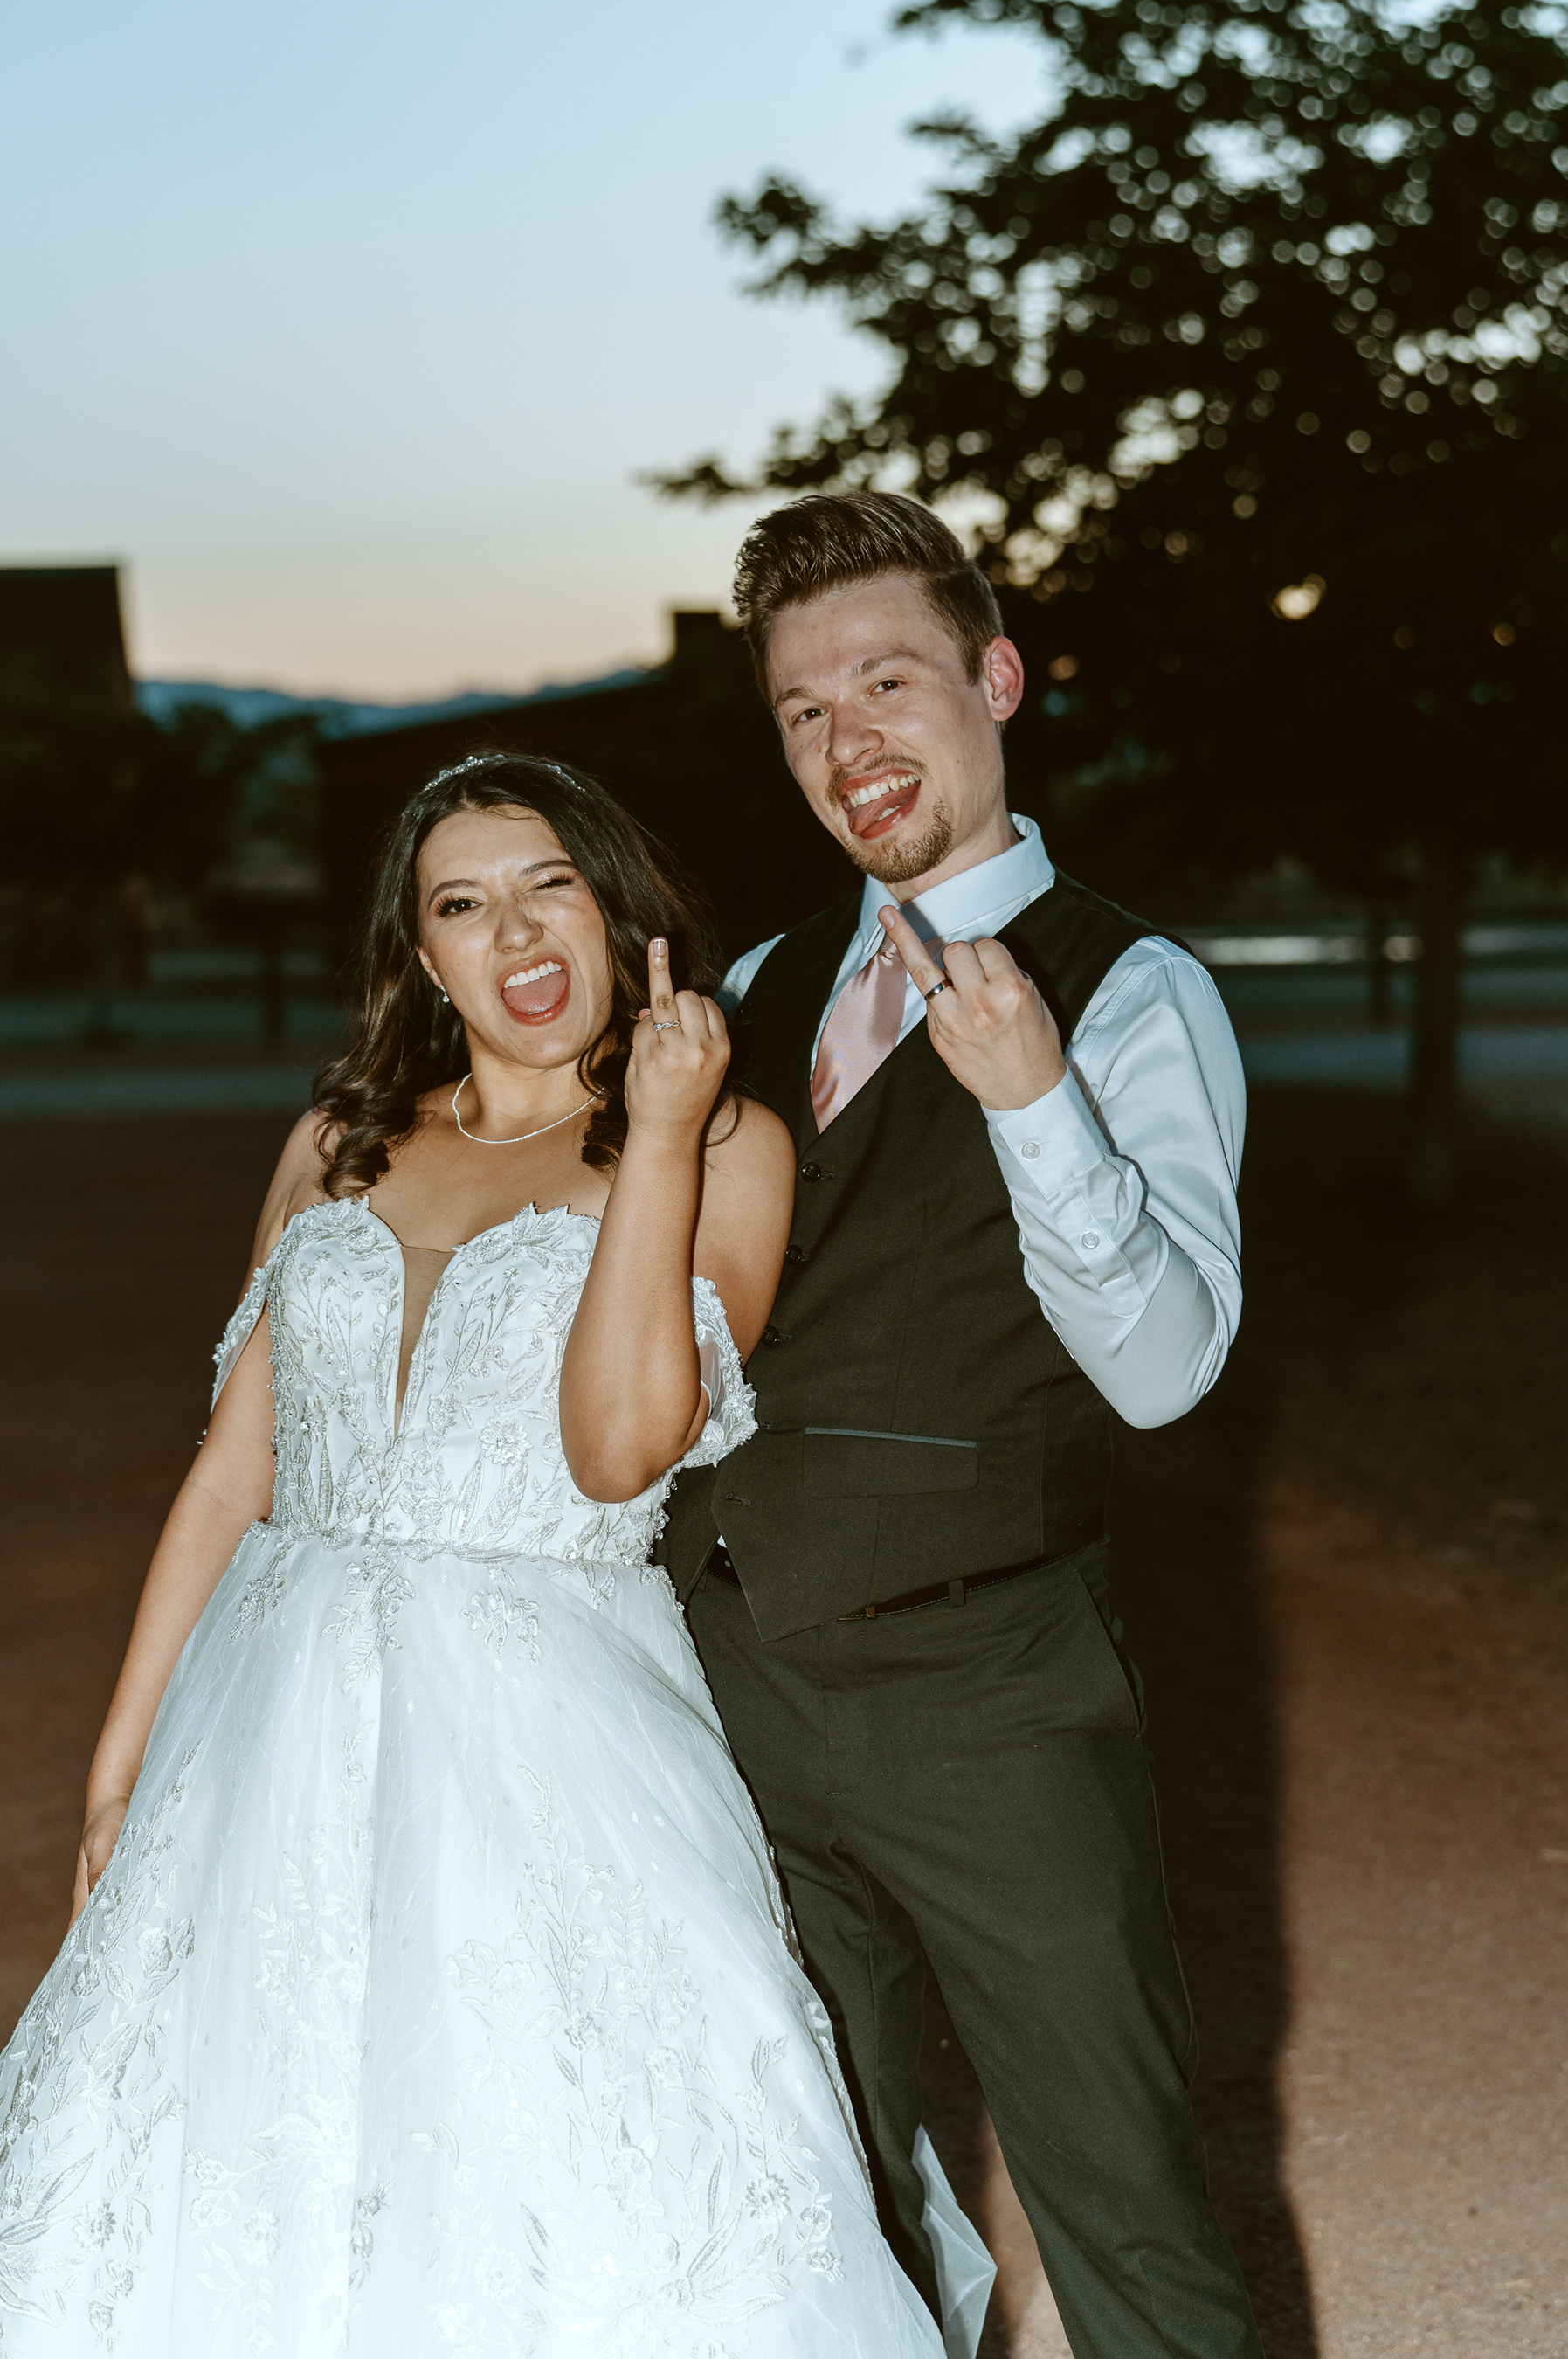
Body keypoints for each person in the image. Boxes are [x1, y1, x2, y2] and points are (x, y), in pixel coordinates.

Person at [0, 752, 990, 2357]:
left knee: (556, 2128)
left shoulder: (726, 1141)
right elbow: (230, 1472)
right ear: (422, 952)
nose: (514, 931)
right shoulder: (337, 1138)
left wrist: (656, 1137)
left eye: (548, 883)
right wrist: (122, 1762)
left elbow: (619, 1447)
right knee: (250, 2110)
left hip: (544, 1728)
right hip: (265, 1721)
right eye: (462, 904)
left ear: (613, 905)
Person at [656, 495, 1265, 2358]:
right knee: (813, 2196)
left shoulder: (1137, 989)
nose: (851, 744)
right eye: (801, 708)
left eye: (890, 680)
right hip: (735, 1681)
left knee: (1124, 2203)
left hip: (989, 1691)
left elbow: (1164, 1370)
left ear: (995, 682)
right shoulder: (756, 991)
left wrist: (1032, 1106)